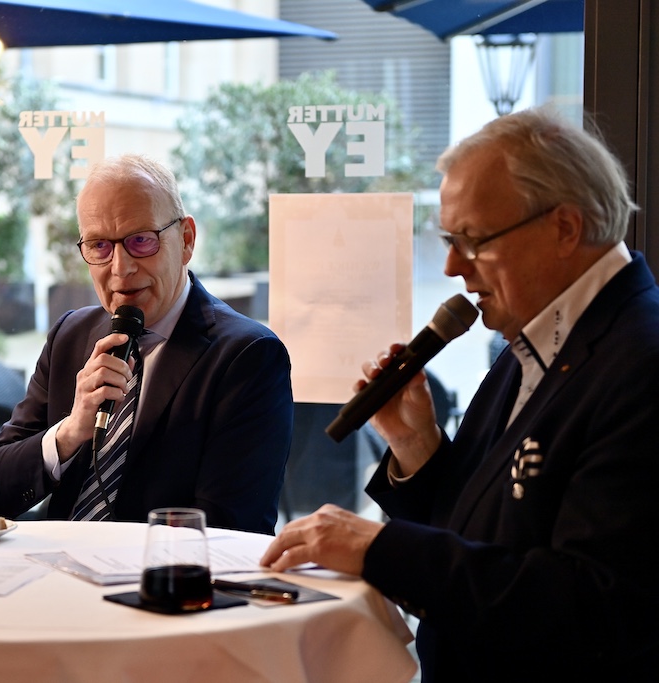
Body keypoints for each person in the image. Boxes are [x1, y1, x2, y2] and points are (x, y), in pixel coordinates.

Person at [261, 106, 659, 681]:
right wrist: (418, 446)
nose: (452, 267)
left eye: (472, 240)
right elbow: (479, 531)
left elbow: (592, 606)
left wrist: (379, 548)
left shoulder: (640, 362)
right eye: (449, 240)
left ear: (565, 228)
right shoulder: (534, 337)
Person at [0, 154, 293, 534]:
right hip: (56, 574)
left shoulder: (247, 355)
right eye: (99, 246)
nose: (120, 269)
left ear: (187, 240)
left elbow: (230, 526)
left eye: (141, 241)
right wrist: (70, 431)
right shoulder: (70, 335)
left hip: (161, 586)